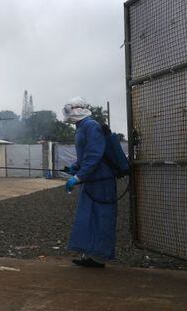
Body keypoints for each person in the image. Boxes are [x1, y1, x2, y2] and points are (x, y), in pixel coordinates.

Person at [63, 96, 117, 268]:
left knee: (100, 217)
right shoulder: (81, 127)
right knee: (88, 216)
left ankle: (99, 257)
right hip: (92, 180)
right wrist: (75, 167)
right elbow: (85, 155)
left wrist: (78, 176)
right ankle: (89, 254)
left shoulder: (90, 126)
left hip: (101, 179)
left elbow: (94, 154)